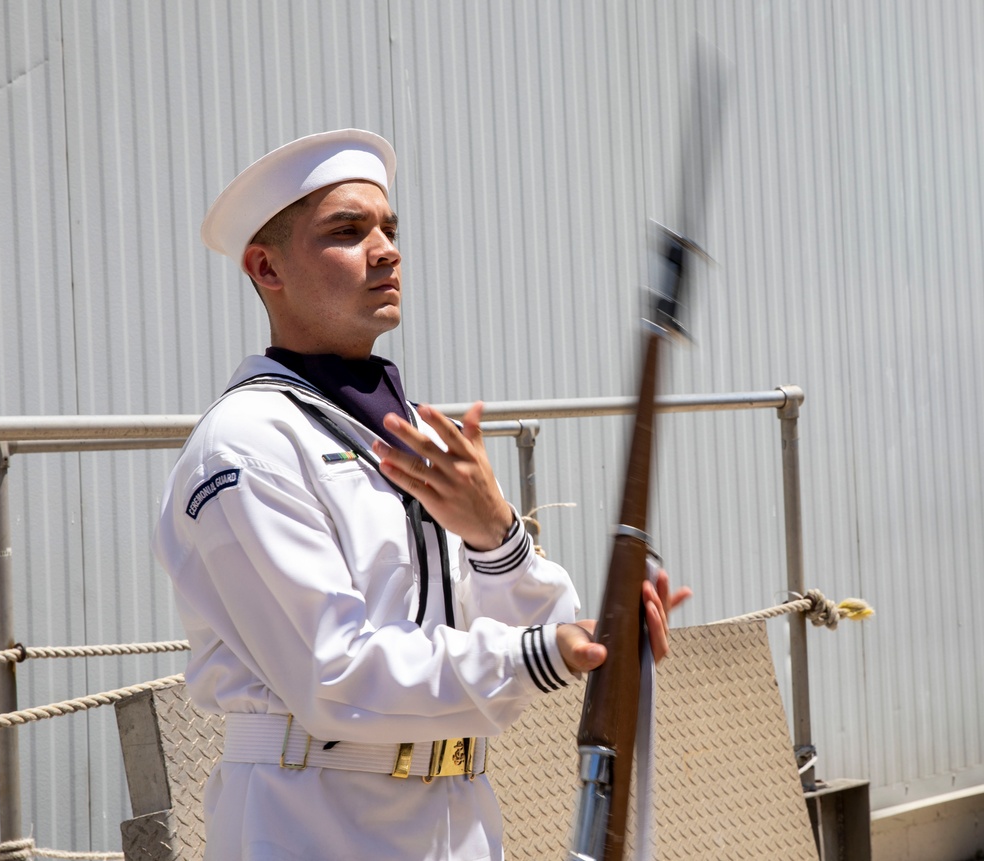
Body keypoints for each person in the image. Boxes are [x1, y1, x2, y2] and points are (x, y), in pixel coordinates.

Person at [153, 129, 689, 861]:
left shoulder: (409, 436)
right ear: (266, 266)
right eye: (347, 231)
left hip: (457, 820)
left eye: (389, 229)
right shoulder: (247, 443)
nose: (386, 249)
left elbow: (523, 632)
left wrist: (506, 544)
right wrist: (543, 651)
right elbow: (336, 674)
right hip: (312, 822)